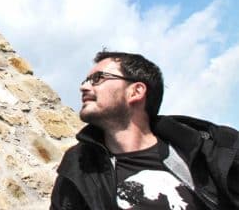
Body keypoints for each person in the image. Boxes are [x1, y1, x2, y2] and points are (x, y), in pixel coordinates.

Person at [50, 51, 239, 209]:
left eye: (97, 79)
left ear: (136, 91)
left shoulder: (212, 149)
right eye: (86, 80)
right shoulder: (78, 170)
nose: (83, 86)